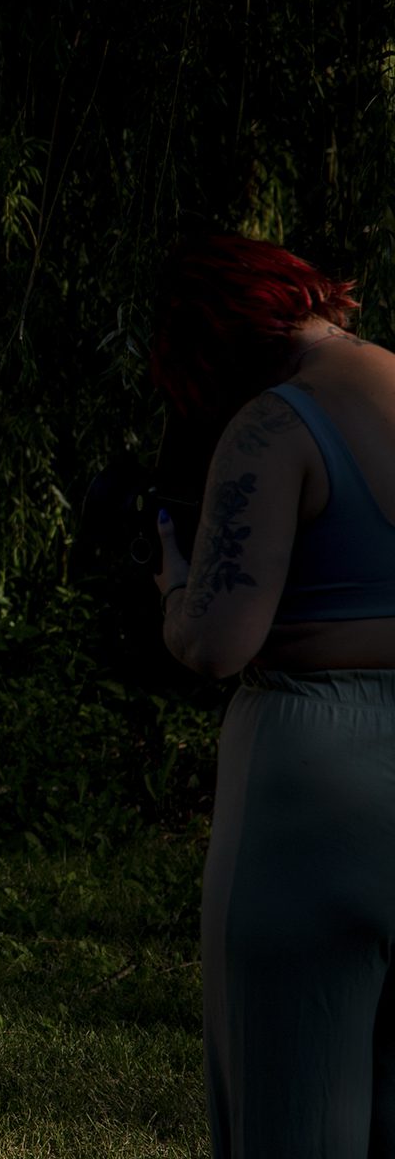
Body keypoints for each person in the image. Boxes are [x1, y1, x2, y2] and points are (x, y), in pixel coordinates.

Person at [151, 233, 395, 1155]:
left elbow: (218, 643)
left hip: (316, 771)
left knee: (290, 1108)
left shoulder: (274, 424)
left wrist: (176, 582)